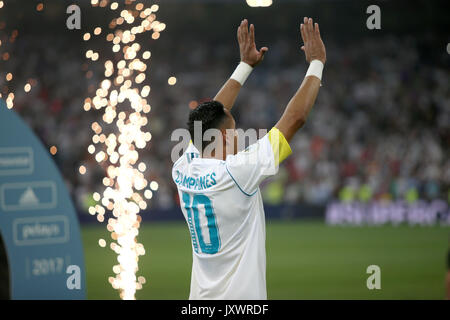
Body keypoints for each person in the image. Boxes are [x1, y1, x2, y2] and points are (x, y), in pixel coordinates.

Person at [172, 17, 326, 299]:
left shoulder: (182, 167)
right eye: (233, 132)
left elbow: (210, 116)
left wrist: (244, 66)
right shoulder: (237, 173)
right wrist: (317, 63)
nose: (238, 136)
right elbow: (295, 118)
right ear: (221, 138)